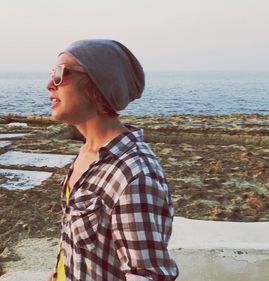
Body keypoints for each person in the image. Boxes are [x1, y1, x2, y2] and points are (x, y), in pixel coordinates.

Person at [45, 39, 179, 281]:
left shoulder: (135, 175)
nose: (48, 85)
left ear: (98, 85)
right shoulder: (88, 152)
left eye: (59, 74)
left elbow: (146, 275)